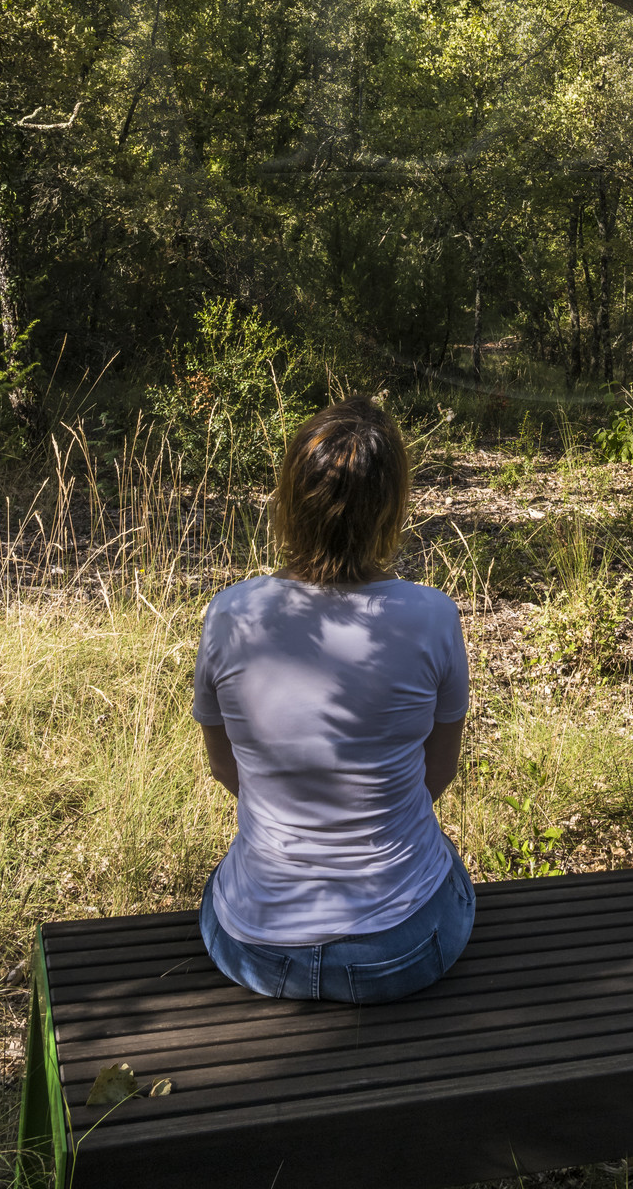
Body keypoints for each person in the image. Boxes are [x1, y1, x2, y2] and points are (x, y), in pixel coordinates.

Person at [192, 395, 475, 1001]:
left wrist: (300, 822)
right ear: (391, 508)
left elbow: (224, 765)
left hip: (254, 947)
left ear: (289, 503)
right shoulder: (431, 616)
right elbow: (439, 769)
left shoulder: (232, 614)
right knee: (443, 861)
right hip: (402, 949)